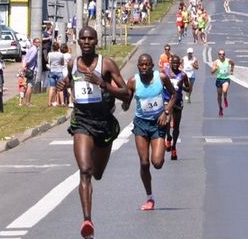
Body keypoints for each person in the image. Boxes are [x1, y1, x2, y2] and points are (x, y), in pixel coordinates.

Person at [56, 26, 128, 239]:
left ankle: (88, 216)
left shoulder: (107, 64)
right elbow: (73, 81)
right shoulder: (73, 64)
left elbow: (125, 93)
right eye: (83, 39)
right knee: (85, 170)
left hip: (104, 124)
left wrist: (103, 84)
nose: (86, 42)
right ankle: (87, 221)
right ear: (78, 42)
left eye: (90, 39)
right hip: (82, 122)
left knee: (97, 173)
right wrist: (64, 83)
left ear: (96, 41)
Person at [122, 54, 176, 210]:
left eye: (147, 64)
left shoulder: (162, 78)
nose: (144, 67)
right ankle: (149, 197)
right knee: (144, 163)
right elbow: (126, 102)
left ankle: (163, 145)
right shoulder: (133, 81)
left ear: (152, 66)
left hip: (158, 123)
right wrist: (124, 103)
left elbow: (174, 95)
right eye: (141, 65)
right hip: (141, 124)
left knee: (157, 163)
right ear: (138, 67)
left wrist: (166, 111)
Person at [162, 55, 190, 160]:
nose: (174, 65)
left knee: (176, 126)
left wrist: (180, 87)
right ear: (170, 63)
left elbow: (188, 88)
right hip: (167, 100)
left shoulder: (183, 75)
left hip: (178, 101)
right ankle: (168, 137)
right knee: (167, 121)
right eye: (173, 63)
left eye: (176, 63)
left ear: (179, 64)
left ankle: (174, 147)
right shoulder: (165, 73)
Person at [211, 49, 234, 117]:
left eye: (223, 54)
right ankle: (220, 108)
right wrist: (215, 69)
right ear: (218, 55)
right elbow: (212, 72)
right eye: (220, 54)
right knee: (219, 95)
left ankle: (225, 98)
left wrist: (232, 70)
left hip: (226, 79)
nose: (222, 55)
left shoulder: (228, 60)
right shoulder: (216, 62)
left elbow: (233, 64)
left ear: (225, 55)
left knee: (224, 90)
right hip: (219, 80)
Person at [22, 38, 41, 106]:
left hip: (28, 69)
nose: (39, 43)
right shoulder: (35, 50)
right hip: (31, 70)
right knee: (30, 86)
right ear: (34, 43)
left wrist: (24, 66)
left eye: (39, 42)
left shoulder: (31, 49)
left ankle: (26, 101)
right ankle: (28, 102)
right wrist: (25, 66)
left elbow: (25, 58)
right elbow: (30, 60)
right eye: (37, 42)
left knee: (28, 85)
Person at [47, 42, 65, 106]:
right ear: (58, 47)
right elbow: (62, 63)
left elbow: (48, 62)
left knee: (52, 87)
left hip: (52, 71)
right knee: (60, 88)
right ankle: (62, 102)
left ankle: (49, 102)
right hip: (59, 71)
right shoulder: (61, 54)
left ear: (52, 47)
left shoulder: (50, 54)